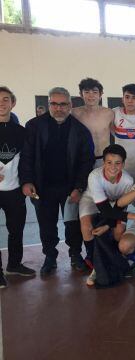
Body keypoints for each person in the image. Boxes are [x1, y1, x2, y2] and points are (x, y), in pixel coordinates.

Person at [19, 87, 95, 275]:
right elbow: (26, 156)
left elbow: (86, 162)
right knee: (46, 224)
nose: (58, 108)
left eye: (62, 104)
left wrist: (78, 187)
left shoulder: (80, 130)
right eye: (54, 104)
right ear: (49, 104)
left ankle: (75, 255)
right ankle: (50, 257)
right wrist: (27, 181)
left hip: (69, 189)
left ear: (70, 105)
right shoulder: (34, 126)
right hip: (42, 187)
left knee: (72, 225)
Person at [81, 144, 135, 286]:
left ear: (123, 164)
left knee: (118, 232)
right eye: (109, 163)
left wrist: (108, 225)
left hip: (116, 204)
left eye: (118, 163)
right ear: (103, 163)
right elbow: (105, 209)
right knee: (87, 227)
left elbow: (119, 207)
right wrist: (134, 216)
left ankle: (116, 259)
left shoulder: (128, 180)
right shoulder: (94, 176)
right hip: (92, 200)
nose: (113, 167)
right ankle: (95, 264)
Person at [0, 87, 35, 288]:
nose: (1, 103)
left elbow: (27, 160)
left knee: (16, 230)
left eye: (6, 99)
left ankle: (14, 264)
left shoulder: (22, 132)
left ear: (13, 103)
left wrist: (27, 182)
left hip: (14, 191)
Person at [72, 78, 114, 168]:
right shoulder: (74, 114)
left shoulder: (109, 113)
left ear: (101, 94)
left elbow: (118, 133)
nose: (91, 96)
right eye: (87, 92)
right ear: (81, 94)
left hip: (104, 159)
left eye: (95, 92)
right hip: (82, 159)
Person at [113, 83, 135, 181]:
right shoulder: (115, 113)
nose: (130, 101)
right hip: (121, 169)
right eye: (127, 97)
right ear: (122, 99)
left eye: (134, 98)